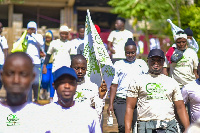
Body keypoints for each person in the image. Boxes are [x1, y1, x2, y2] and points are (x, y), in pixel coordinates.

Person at [125, 49, 190, 133]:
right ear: (147, 61)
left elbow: (180, 107)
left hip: (168, 126)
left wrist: (188, 128)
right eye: (153, 60)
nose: (156, 63)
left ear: (163, 63)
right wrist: (127, 130)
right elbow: (130, 107)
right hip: (145, 126)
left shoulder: (171, 82)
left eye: (159, 60)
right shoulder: (137, 80)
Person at [43, 66, 102, 132]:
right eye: (62, 82)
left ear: (76, 86)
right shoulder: (45, 114)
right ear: (54, 86)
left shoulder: (89, 114)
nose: (67, 86)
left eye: (71, 83)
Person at [107, 38, 148, 133]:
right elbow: (114, 85)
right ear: (125, 52)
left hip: (138, 100)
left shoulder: (142, 64)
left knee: (136, 126)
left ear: (136, 51)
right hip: (121, 99)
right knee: (123, 126)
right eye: (128, 53)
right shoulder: (118, 64)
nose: (130, 55)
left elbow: (146, 81)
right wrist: (110, 104)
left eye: (133, 52)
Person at [0, 52, 45, 133]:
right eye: (10, 73)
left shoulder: (42, 117)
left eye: (23, 74)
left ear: (32, 77)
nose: (16, 80)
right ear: (1, 76)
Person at [70, 54, 107, 122]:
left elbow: (97, 113)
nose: (80, 71)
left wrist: (101, 97)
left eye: (83, 69)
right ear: (70, 67)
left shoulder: (92, 87)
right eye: (77, 68)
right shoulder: (64, 87)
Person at [25, 21, 44, 103]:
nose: (31, 30)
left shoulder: (38, 36)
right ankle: (29, 101)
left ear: (36, 29)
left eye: (33, 29)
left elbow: (41, 43)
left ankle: (36, 98)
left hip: (36, 62)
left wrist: (32, 34)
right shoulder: (25, 37)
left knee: (36, 82)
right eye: (30, 29)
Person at [40, 30, 54, 100]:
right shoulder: (42, 45)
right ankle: (44, 89)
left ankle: (51, 96)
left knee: (52, 81)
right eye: (46, 37)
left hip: (53, 64)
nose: (48, 39)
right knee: (45, 80)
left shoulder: (54, 44)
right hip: (45, 64)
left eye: (49, 37)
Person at [0, 22, 8, 90]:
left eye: (1, 27)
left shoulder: (3, 39)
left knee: (1, 80)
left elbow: (6, 51)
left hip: (1, 63)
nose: (1, 29)